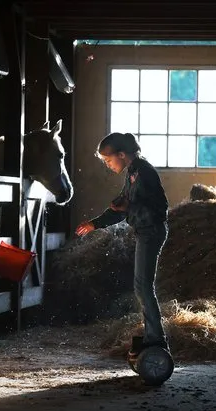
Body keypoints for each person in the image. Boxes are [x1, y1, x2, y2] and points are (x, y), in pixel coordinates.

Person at [75, 132, 170, 357]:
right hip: (144, 231)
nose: (108, 165)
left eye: (108, 160)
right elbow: (124, 208)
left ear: (121, 154)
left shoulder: (144, 172)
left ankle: (157, 338)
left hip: (151, 231)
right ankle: (152, 336)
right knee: (141, 286)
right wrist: (95, 224)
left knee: (143, 286)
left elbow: (161, 207)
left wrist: (130, 206)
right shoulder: (133, 173)